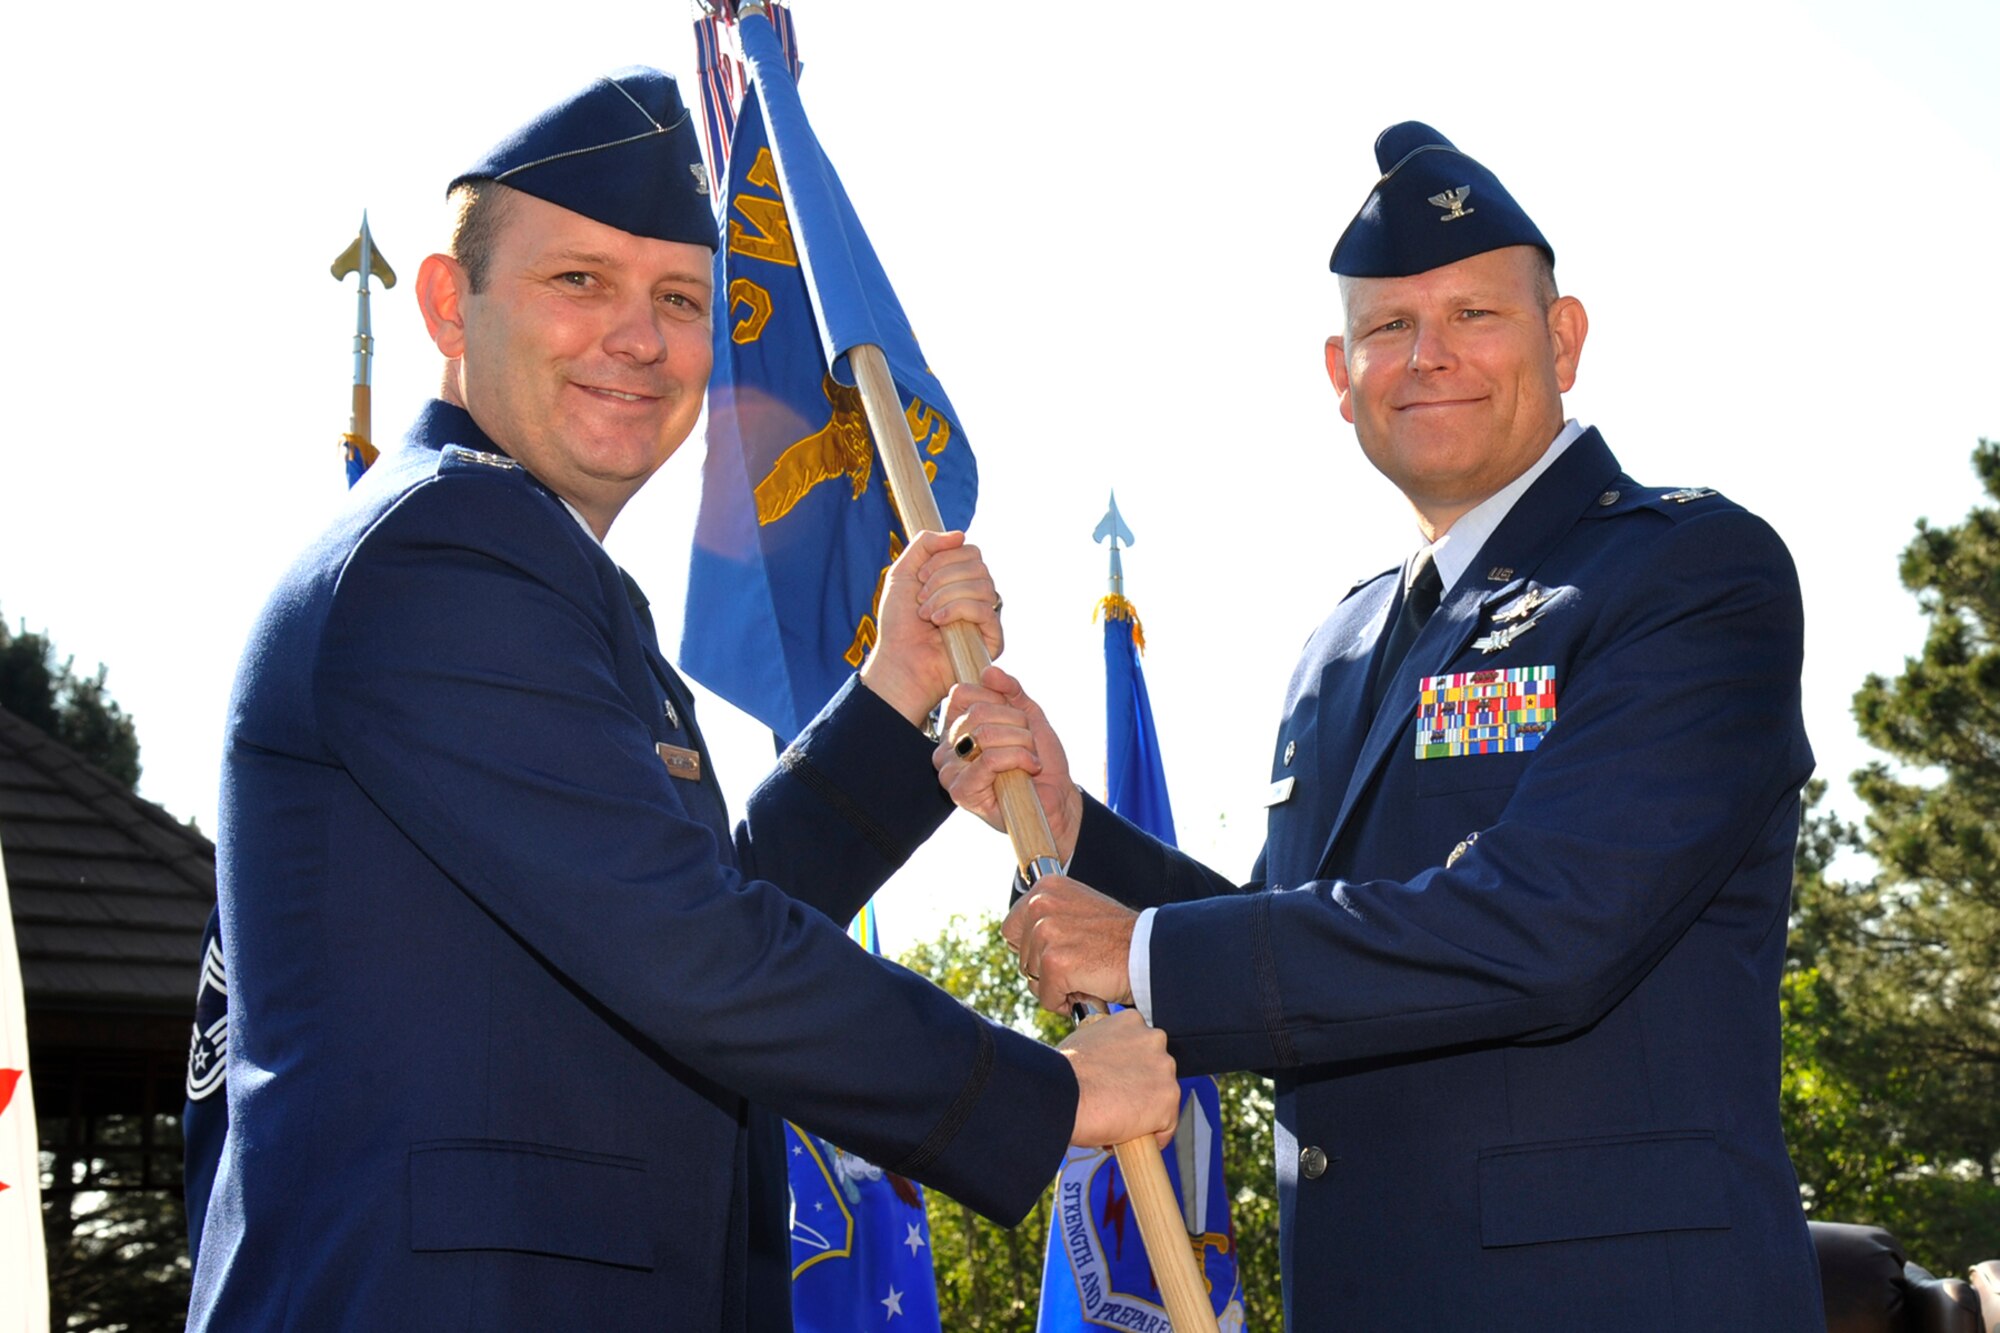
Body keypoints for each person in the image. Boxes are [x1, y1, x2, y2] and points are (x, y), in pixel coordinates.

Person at [188, 68, 1177, 1332]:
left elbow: (684, 905)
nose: (639, 337)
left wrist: (890, 701)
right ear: (449, 303)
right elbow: (685, 945)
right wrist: (1046, 1094)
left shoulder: (532, 567)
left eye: (679, 299)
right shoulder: (443, 555)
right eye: (577, 281)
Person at [937, 121, 1824, 1330]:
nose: (1428, 357)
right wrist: (1074, 821)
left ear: (1562, 339)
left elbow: (1543, 925)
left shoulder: (1689, 574)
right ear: (1335, 372)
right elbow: (1286, 941)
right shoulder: (1341, 644)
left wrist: (1139, 950)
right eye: (1388, 328)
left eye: (1474, 316)